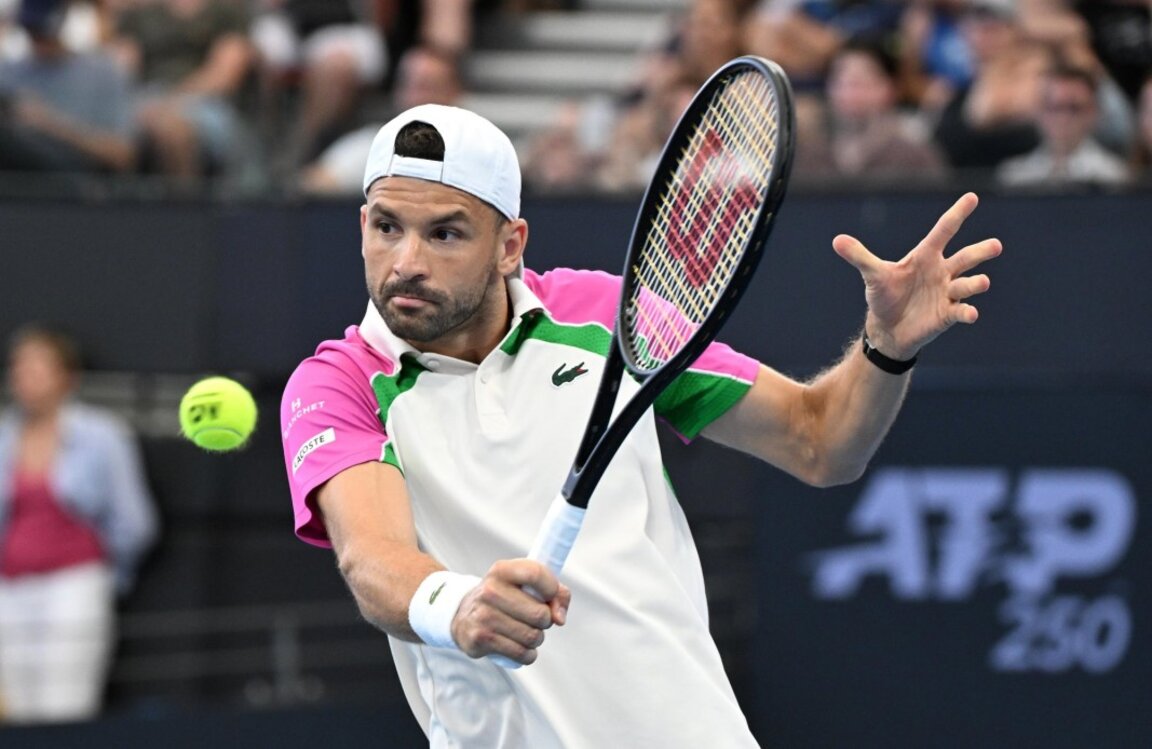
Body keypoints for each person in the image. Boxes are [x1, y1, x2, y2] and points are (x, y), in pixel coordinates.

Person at [278, 103, 1002, 745]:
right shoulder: (336, 381)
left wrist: (885, 348)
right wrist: (456, 602)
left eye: (444, 234)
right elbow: (371, 558)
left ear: (509, 244)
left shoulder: (606, 316)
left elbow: (819, 441)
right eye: (386, 226)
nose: (406, 262)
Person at [0, 324, 159, 723]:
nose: (25, 377)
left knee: (64, 710)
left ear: (67, 377)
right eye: (19, 367)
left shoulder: (102, 435)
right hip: (9, 590)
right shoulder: (3, 435)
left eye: (38, 367)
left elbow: (135, 523)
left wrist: (103, 573)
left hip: (75, 587)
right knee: (13, 711)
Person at [110, 0, 257, 188]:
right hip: (146, 99)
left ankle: (185, 207)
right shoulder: (142, 15)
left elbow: (225, 75)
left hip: (206, 103)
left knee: (171, 128)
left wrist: (170, 103)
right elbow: (120, 68)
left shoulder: (225, 12)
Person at [0, 0, 136, 183]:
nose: (37, 40)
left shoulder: (102, 72)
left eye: (42, 32)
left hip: (77, 179)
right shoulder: (8, 72)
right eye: (31, 31)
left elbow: (122, 155)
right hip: (16, 182)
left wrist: (47, 123)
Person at [298, 44, 460, 195]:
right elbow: (313, 183)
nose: (417, 98)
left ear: (453, 91)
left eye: (427, 87)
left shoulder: (474, 146)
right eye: (410, 86)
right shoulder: (377, 144)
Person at [796, 36, 949, 184]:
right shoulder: (812, 155)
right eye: (841, 81)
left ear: (890, 88)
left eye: (860, 82)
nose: (849, 93)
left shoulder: (915, 157)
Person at [996, 61, 1130, 187]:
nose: (1062, 118)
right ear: (1038, 110)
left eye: (1073, 108)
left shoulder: (1114, 177)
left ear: (1094, 112)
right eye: (1053, 107)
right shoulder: (1015, 176)